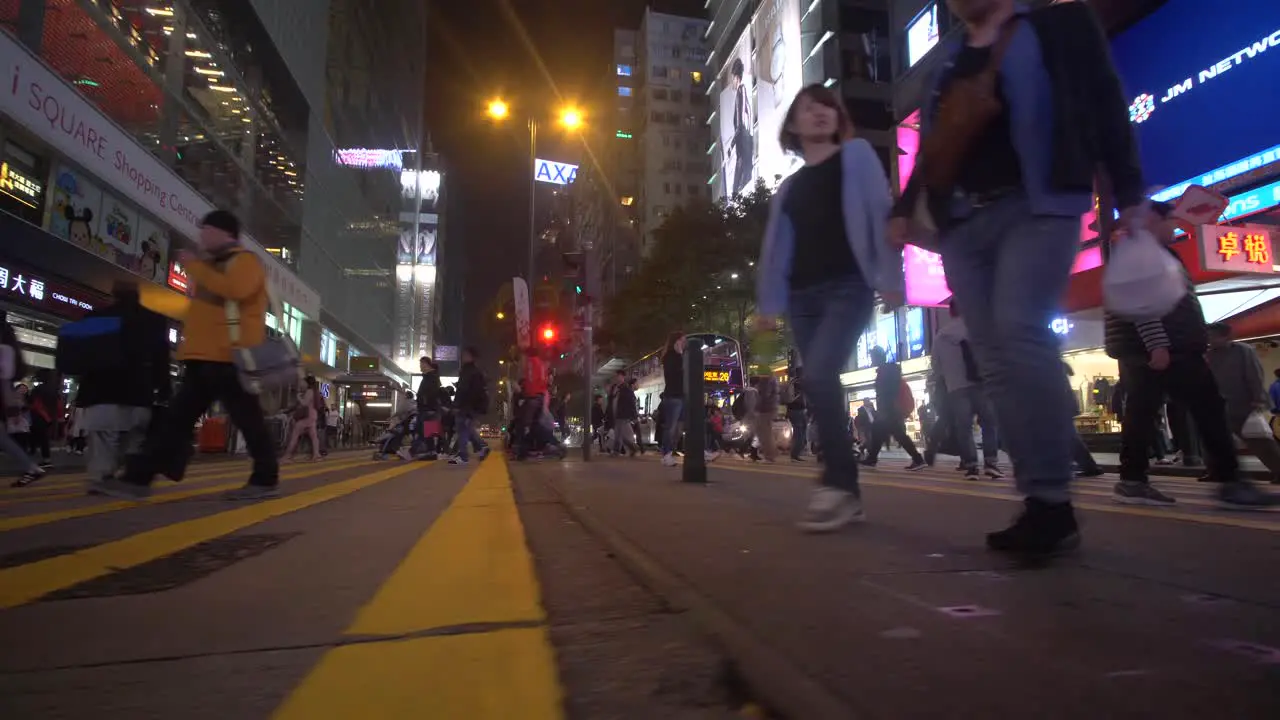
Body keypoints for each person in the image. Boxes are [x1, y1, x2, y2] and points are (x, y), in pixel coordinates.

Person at [889, 0, 1155, 557]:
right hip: (963, 224)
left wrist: (1130, 192)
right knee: (995, 361)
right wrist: (904, 208)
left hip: (1039, 208)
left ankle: (1055, 499)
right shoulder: (951, 57)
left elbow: (1104, 103)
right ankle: (1039, 499)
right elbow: (935, 146)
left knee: (1019, 333)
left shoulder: (1060, 26)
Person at [755, 83, 903, 531]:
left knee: (819, 374)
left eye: (826, 106)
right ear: (794, 126)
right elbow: (775, 251)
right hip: (802, 298)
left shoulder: (856, 156)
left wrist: (893, 279)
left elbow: (882, 213)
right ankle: (847, 494)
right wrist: (767, 307)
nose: (819, 112)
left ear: (838, 118)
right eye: (808, 108)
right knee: (820, 384)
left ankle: (837, 485)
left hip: (847, 287)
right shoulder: (788, 188)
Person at [100, 209, 280, 500]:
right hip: (205, 358)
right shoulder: (214, 265)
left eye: (206, 230)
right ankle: (138, 477)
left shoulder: (244, 262)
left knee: (247, 420)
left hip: (229, 358)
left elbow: (236, 291)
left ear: (225, 233)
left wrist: (197, 267)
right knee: (175, 419)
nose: (202, 236)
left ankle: (265, 477)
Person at [70, 281, 171, 493]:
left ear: (113, 294)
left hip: (100, 391)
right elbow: (162, 358)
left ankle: (101, 477)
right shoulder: (154, 321)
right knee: (131, 438)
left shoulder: (96, 318)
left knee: (102, 439)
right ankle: (120, 475)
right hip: (138, 392)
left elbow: (82, 357)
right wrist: (164, 388)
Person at [928, 298, 1002, 480]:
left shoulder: (940, 337)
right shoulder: (979, 330)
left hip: (956, 387)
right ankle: (991, 463)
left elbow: (935, 366)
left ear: (951, 312)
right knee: (989, 424)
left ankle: (971, 467)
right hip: (981, 384)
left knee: (964, 428)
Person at [1205, 323, 1280, 493]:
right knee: (1216, 439)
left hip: (1244, 402)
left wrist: (1258, 398)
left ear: (1226, 336)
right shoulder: (1210, 355)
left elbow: (1254, 373)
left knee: (1259, 440)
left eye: (1213, 336)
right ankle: (1216, 471)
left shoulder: (1242, 350)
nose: (1210, 339)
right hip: (1221, 403)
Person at [861, 347, 927, 471]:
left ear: (878, 357)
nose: (871, 359)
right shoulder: (886, 370)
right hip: (890, 410)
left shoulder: (886, 372)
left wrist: (885, 410)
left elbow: (888, 393)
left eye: (873, 356)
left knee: (897, 434)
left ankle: (918, 459)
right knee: (881, 432)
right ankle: (872, 459)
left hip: (890, 410)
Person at [2, 319, 45, 486]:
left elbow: (4, 383)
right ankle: (32, 468)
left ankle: (32, 468)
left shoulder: (4, 351)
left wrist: (13, 410)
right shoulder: (8, 350)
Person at [449, 346, 491, 465]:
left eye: (465, 355)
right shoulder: (470, 371)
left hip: (467, 406)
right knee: (466, 429)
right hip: (468, 405)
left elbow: (466, 390)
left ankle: (463, 456)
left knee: (462, 429)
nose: (463, 357)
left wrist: (458, 405)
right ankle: (482, 447)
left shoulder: (471, 371)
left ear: (471, 357)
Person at [659, 332, 686, 467]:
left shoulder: (680, 356)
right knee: (670, 427)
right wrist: (680, 355)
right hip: (673, 396)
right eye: (682, 340)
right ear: (676, 342)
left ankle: (702, 451)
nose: (684, 343)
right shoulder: (670, 357)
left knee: (683, 427)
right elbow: (675, 373)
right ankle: (666, 454)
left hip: (681, 396)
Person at [283, 376, 321, 461]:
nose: (302, 384)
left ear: (308, 383)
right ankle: (316, 455)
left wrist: (299, 397)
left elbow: (304, 403)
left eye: (304, 382)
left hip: (307, 416)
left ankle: (288, 455)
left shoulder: (309, 391)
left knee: (295, 434)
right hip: (313, 416)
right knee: (314, 437)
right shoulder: (315, 392)